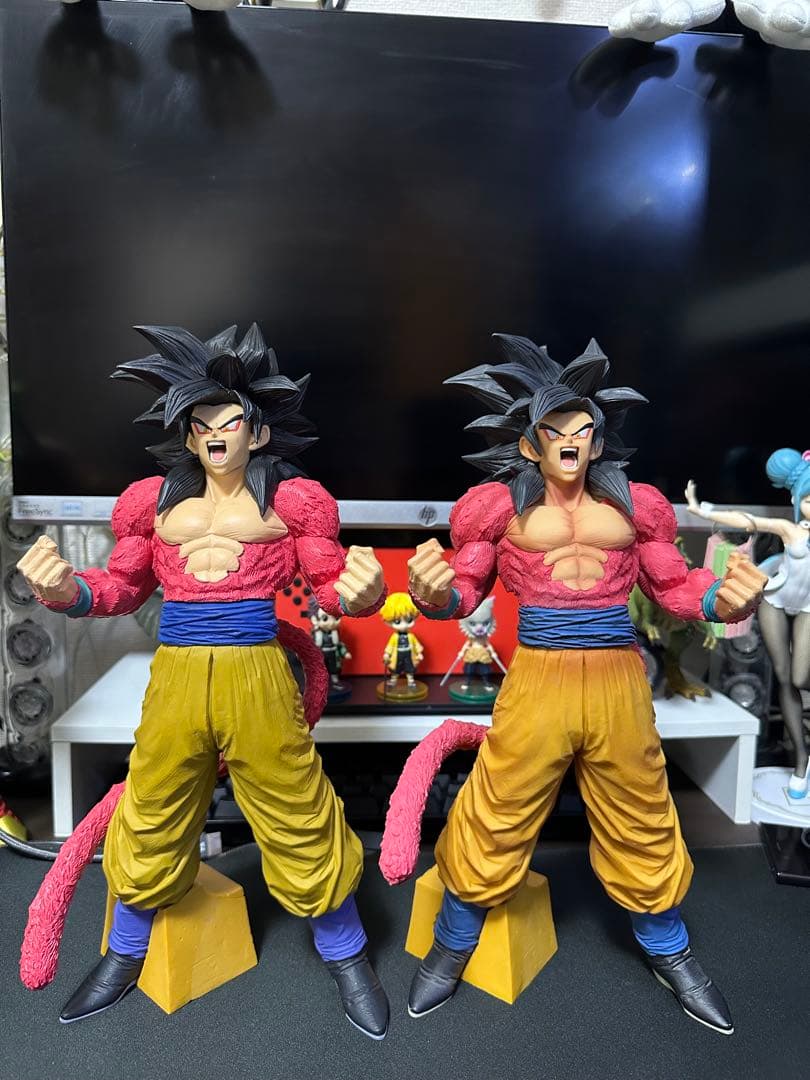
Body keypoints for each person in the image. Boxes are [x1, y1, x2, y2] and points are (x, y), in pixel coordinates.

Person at [18, 323, 390, 1039]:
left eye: (231, 419)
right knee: (153, 803)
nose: (216, 433)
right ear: (188, 434)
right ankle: (124, 953)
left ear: (258, 430)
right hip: (179, 674)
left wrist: (366, 593)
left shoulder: (294, 503)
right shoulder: (152, 504)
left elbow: (332, 587)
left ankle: (346, 953)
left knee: (297, 808)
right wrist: (66, 590)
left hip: (258, 673)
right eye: (202, 421)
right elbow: (121, 588)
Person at [401, 334, 765, 1034]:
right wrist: (432, 592)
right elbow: (465, 590)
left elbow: (674, 587)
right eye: (554, 429)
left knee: (640, 807)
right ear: (530, 443)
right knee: (499, 803)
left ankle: (669, 948)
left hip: (617, 676)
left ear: (597, 441)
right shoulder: (495, 509)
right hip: (538, 674)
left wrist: (723, 600)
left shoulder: (637, 507)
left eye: (582, 428)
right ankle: (454, 940)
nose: (570, 440)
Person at [686, 448, 810, 798]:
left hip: (807, 607)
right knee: (784, 677)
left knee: (801, 678)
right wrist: (702, 509)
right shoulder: (791, 530)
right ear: (796, 500)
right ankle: (801, 761)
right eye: (809, 499)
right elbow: (747, 521)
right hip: (776, 599)